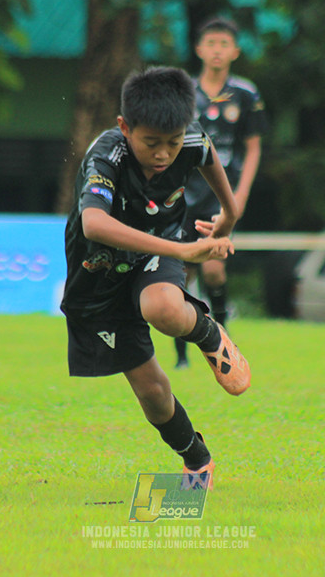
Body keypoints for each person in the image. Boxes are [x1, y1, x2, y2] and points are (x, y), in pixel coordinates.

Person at [61, 66, 251, 486]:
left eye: (173, 142)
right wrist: (184, 250)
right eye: (151, 143)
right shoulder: (106, 155)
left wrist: (229, 216)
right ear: (125, 127)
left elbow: (208, 158)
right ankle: (196, 458)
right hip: (100, 275)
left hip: (157, 248)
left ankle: (208, 333)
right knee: (151, 390)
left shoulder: (190, 137)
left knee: (163, 306)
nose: (164, 153)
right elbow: (94, 224)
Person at [174, 17, 267, 369]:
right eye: (210, 43)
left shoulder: (245, 94)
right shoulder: (185, 91)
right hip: (184, 194)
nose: (217, 50)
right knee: (182, 274)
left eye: (224, 44)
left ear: (235, 51)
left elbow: (253, 147)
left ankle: (223, 345)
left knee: (213, 270)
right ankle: (182, 356)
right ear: (199, 49)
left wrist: (239, 196)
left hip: (221, 195)